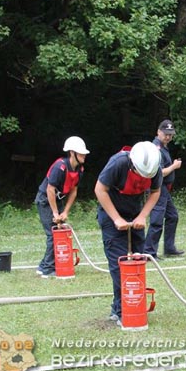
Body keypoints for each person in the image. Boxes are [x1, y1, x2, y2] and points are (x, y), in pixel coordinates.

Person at [95, 141, 162, 325]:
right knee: (120, 265)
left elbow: (155, 192)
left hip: (134, 214)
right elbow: (100, 190)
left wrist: (142, 216)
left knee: (137, 262)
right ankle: (124, 310)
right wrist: (116, 219)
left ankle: (124, 307)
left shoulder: (155, 166)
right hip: (111, 215)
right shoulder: (118, 163)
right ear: (133, 164)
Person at [35, 136, 90, 277]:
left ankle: (42, 266)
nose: (84, 155)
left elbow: (74, 191)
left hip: (58, 200)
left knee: (59, 232)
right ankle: (47, 270)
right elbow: (50, 189)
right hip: (45, 200)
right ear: (72, 153)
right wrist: (55, 213)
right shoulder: (60, 167)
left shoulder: (80, 170)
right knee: (53, 233)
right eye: (81, 152)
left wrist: (65, 211)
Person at [143, 119, 184, 258]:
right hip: (157, 188)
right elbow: (159, 172)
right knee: (157, 220)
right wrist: (174, 166)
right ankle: (149, 252)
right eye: (166, 134)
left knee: (173, 216)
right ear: (158, 132)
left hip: (164, 189)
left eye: (170, 134)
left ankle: (169, 247)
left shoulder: (163, 147)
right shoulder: (156, 149)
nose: (168, 137)